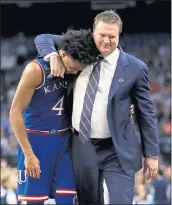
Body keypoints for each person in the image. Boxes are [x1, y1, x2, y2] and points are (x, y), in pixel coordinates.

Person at [34, 10, 159, 204]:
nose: (107, 41)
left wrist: (151, 154)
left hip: (117, 149)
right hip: (82, 145)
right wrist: (52, 56)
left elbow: (146, 113)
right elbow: (42, 38)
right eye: (102, 35)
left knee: (121, 201)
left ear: (119, 36)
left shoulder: (136, 68)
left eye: (112, 36)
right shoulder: (78, 48)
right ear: (93, 32)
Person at [9, 29, 100, 205]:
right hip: (37, 140)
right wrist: (28, 154)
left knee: (68, 198)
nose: (74, 72)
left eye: (77, 69)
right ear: (62, 53)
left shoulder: (77, 67)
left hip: (64, 140)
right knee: (34, 201)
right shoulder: (35, 70)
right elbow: (14, 112)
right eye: (72, 67)